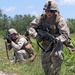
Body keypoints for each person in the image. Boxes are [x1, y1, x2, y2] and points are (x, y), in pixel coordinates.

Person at [28, 0, 74, 75]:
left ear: (55, 11)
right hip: (45, 43)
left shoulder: (59, 20)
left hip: (57, 43)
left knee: (57, 56)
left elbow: (65, 34)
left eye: (51, 11)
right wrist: (36, 36)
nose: (49, 13)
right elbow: (31, 28)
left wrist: (56, 39)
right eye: (47, 11)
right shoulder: (41, 18)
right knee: (45, 65)